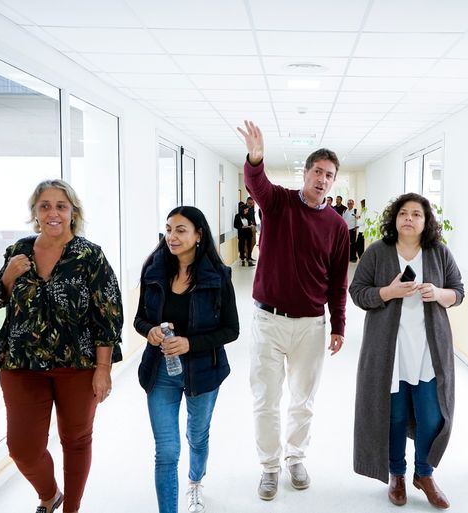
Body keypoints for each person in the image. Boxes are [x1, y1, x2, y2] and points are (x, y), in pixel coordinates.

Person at [0, 179, 123, 513]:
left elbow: (109, 314)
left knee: (75, 441)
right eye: (44, 205)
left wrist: (103, 369)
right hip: (22, 365)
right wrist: (8, 276)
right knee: (22, 448)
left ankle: (71, 509)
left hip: (78, 365)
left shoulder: (89, 255)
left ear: (73, 212)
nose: (52, 212)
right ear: (35, 212)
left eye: (61, 205)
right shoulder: (19, 250)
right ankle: (49, 496)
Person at [236, 120, 350, 501]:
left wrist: (339, 325)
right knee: (265, 398)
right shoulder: (279, 203)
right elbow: (257, 185)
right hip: (268, 320)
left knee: (303, 398)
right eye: (317, 171)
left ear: (334, 182)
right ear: (305, 173)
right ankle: (269, 466)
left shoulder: (336, 226)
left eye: (329, 175)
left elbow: (338, 281)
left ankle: (295, 456)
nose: (322, 179)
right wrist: (256, 158)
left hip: (311, 326)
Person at [349, 193, 464, 510]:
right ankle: (397, 474)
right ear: (394, 219)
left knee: (432, 416)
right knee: (395, 416)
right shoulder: (378, 252)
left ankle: (423, 474)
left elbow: (458, 292)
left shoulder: (438, 253)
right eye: (403, 213)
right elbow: (358, 292)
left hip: (429, 350)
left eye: (417, 214)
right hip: (389, 350)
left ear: (427, 221)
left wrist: (439, 293)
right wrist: (389, 291)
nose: (409, 218)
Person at [134, 205, 240, 513]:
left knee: (197, 435)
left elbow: (231, 330)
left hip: (203, 371)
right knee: (166, 450)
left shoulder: (218, 276)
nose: (172, 236)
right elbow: (140, 319)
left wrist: (189, 344)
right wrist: (150, 331)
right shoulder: (153, 269)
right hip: (161, 371)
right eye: (168, 229)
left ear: (198, 236)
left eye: (180, 230)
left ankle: (195, 483)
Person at [234, 202, 255, 266]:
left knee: (249, 246)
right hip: (241, 233)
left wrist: (251, 225)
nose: (247, 211)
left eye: (247, 210)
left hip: (248, 232)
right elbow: (235, 225)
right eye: (246, 210)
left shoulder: (247, 215)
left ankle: (249, 260)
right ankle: (242, 258)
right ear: (242, 210)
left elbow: (250, 223)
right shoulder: (237, 216)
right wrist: (241, 227)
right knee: (241, 246)